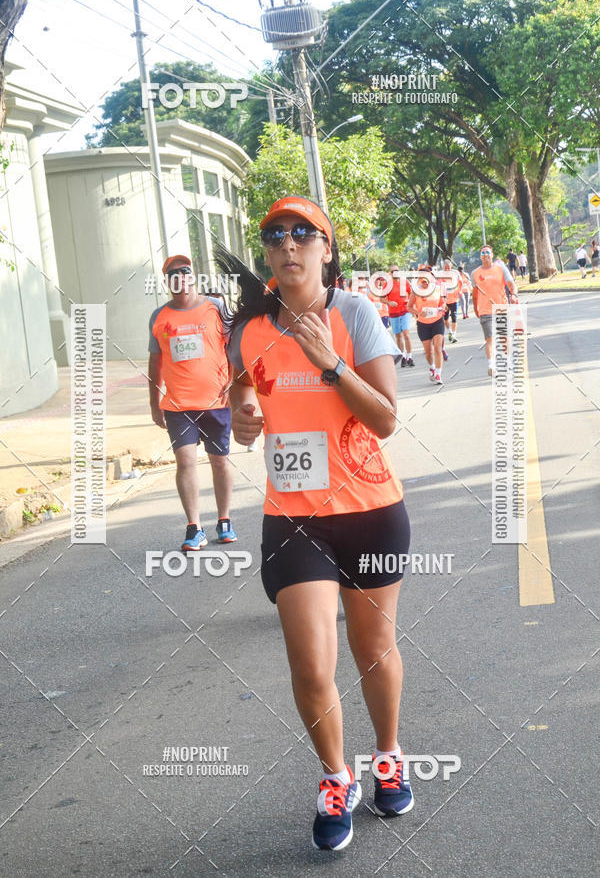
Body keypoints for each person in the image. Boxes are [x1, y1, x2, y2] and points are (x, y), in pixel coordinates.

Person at [221, 196, 413, 852]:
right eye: (275, 235)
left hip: (370, 512)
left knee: (374, 649)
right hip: (294, 520)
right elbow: (242, 390)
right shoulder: (249, 328)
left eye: (304, 233)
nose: (288, 244)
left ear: (326, 250)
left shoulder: (353, 314)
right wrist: (244, 418)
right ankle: (336, 777)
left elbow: (385, 418)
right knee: (309, 664)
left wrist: (331, 364)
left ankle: (387, 756)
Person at [148, 254, 237, 550]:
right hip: (178, 406)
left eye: (184, 271)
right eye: (172, 274)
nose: (179, 277)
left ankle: (224, 520)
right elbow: (155, 362)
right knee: (185, 462)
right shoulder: (159, 317)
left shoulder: (217, 308)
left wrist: (235, 381)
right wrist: (154, 402)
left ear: (193, 276)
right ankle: (194, 527)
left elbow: (235, 346)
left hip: (216, 401)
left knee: (219, 461)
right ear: (166, 282)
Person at [471, 245, 518, 377]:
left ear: (492, 255)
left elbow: (512, 285)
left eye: (487, 252)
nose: (485, 255)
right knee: (490, 338)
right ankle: (491, 365)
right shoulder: (475, 273)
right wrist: (475, 308)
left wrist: (514, 295)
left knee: (504, 338)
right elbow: (474, 294)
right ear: (480, 256)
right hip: (485, 310)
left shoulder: (501, 268)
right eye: (482, 253)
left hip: (501, 308)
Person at [407, 264, 446, 385]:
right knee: (429, 353)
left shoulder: (437, 289)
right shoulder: (416, 291)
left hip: (437, 321)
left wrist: (442, 307)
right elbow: (409, 307)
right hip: (423, 324)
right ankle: (432, 367)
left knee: (437, 347)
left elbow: (443, 303)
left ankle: (438, 374)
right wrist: (419, 313)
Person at [387, 265, 414, 366]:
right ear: (390, 273)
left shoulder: (404, 281)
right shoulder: (388, 284)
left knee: (406, 334)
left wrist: (409, 302)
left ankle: (409, 357)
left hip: (404, 311)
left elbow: (411, 293)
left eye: (397, 270)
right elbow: (382, 298)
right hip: (393, 313)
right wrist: (389, 302)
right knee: (398, 336)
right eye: (393, 271)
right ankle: (403, 357)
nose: (395, 272)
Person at [440, 259, 461, 342]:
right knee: (445, 319)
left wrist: (458, 291)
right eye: (445, 267)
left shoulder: (455, 274)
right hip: (445, 301)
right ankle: (450, 331)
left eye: (448, 267)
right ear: (443, 267)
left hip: (454, 300)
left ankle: (454, 335)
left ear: (451, 266)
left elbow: (460, 283)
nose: (447, 269)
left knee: (454, 317)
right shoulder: (440, 275)